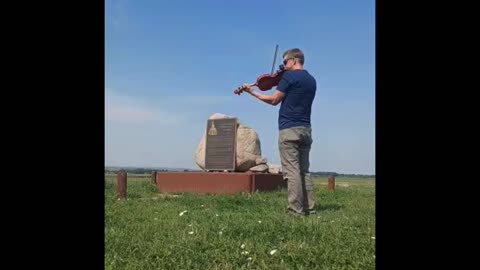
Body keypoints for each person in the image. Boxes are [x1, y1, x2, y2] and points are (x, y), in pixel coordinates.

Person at [239, 48, 317, 216]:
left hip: (289, 129)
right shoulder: (311, 80)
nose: (283, 67)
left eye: (285, 62)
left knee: (292, 171)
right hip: (306, 129)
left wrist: (252, 92)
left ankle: (295, 211)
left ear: (294, 60)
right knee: (304, 171)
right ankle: (310, 208)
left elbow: (274, 100)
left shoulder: (289, 77)